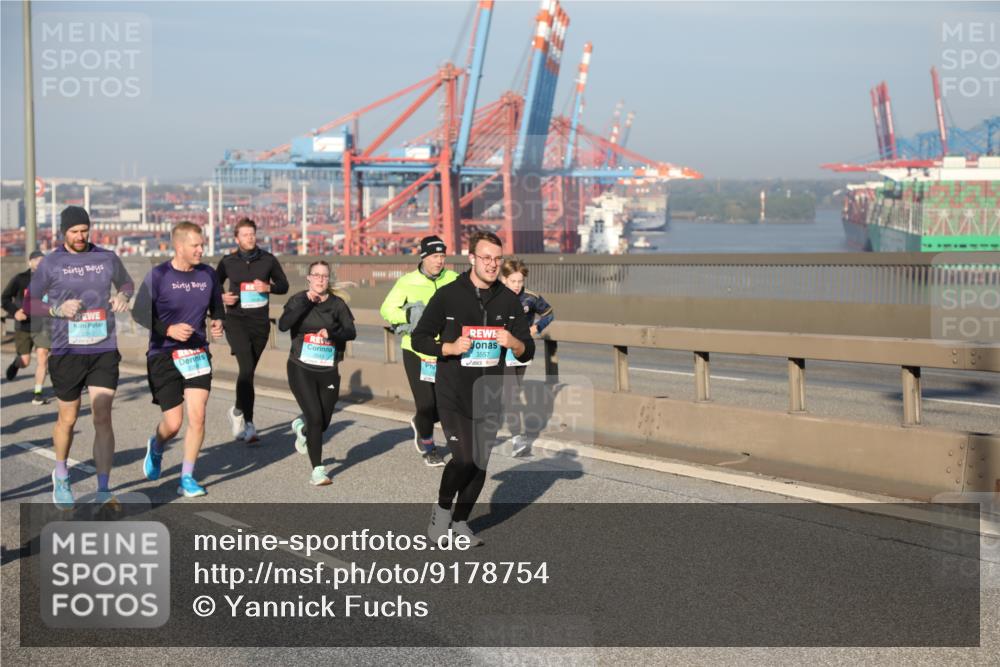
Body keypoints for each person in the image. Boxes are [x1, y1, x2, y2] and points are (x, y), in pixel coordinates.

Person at [412, 231, 534, 547]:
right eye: (486, 258)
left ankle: (462, 522)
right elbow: (419, 338)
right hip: (453, 392)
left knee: (479, 462)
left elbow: (528, 349)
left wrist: (515, 342)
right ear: (472, 259)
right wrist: (449, 348)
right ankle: (441, 511)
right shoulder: (449, 295)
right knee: (464, 459)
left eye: (497, 259)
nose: (492, 265)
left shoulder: (509, 300)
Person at [27, 206, 134, 509]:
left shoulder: (106, 258)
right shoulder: (51, 263)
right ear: (63, 232)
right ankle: (61, 474)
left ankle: (103, 488)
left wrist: (123, 296)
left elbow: (127, 282)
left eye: (84, 230)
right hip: (66, 351)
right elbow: (30, 302)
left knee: (102, 415)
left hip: (103, 348)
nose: (80, 236)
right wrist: (57, 310)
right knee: (69, 419)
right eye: (74, 231)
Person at [132, 221, 224, 498]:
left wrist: (219, 322)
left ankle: (187, 477)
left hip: (196, 352)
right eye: (195, 245)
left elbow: (217, 308)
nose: (200, 250)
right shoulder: (159, 276)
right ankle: (157, 445)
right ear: (179, 246)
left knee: (198, 416)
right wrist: (167, 329)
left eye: (202, 244)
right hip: (163, 354)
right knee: (173, 423)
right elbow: (138, 312)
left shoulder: (208, 274)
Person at [379, 235, 459, 467]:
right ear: (423, 257)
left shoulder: (453, 279)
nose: (439, 261)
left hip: (445, 350)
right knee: (426, 404)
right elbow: (387, 309)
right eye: (435, 256)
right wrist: (408, 315)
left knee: (445, 404)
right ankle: (429, 445)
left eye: (443, 256)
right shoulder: (407, 282)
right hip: (416, 350)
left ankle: (421, 422)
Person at [278, 261, 356, 486]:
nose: (320, 279)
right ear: (308, 278)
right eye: (316, 275)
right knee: (315, 417)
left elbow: (351, 332)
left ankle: (301, 428)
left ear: (328, 279)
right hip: (301, 367)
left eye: (324, 276)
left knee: (323, 422)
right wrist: (304, 302)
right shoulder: (298, 299)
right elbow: (284, 325)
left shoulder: (337, 304)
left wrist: (330, 332)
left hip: (328, 369)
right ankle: (318, 470)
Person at [216, 218, 289, 444]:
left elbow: (284, 285)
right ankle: (248, 423)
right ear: (237, 239)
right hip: (236, 321)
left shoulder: (268, 260)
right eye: (245, 235)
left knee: (248, 373)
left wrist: (268, 287)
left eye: (252, 234)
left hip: (259, 323)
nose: (250, 238)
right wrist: (221, 297)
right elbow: (213, 285)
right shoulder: (228, 262)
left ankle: (237, 411)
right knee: (246, 369)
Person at [499, 258, 555, 457]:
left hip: (522, 350)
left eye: (520, 281)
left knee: (512, 394)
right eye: (513, 281)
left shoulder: (531, 298)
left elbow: (549, 313)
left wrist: (536, 327)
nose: (517, 286)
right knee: (510, 394)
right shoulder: (493, 296)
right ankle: (517, 439)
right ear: (503, 279)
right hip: (499, 351)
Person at [3, 250, 51, 404]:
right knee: (25, 361)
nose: (39, 262)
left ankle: (38, 393)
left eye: (42, 260)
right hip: (23, 325)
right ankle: (16, 364)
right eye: (36, 259)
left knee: (42, 356)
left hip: (42, 325)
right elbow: (4, 298)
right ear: (29, 262)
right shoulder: (20, 279)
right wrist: (15, 312)